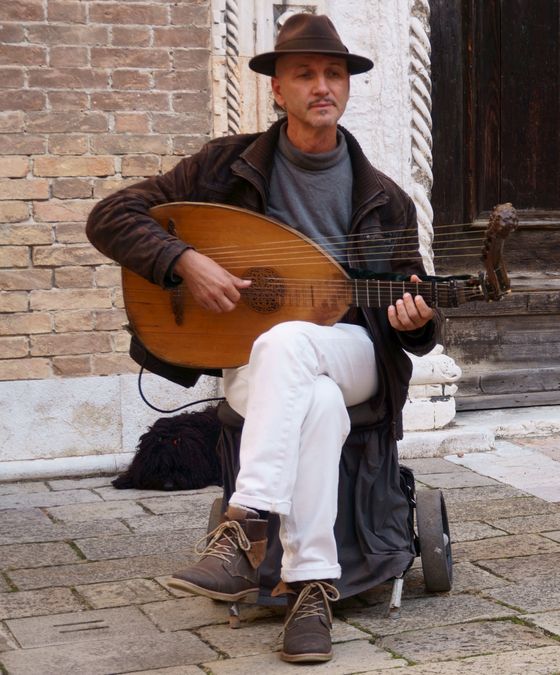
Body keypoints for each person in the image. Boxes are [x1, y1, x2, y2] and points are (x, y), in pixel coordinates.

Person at [86, 14, 435, 664]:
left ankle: (243, 522)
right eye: (305, 73)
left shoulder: (385, 198)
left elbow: (410, 301)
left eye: (334, 73)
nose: (322, 85)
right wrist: (184, 261)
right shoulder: (225, 167)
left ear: (347, 87)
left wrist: (416, 318)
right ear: (277, 87)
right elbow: (110, 217)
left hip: (354, 351)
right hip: (256, 358)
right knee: (312, 397)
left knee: (288, 345)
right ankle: (310, 593)